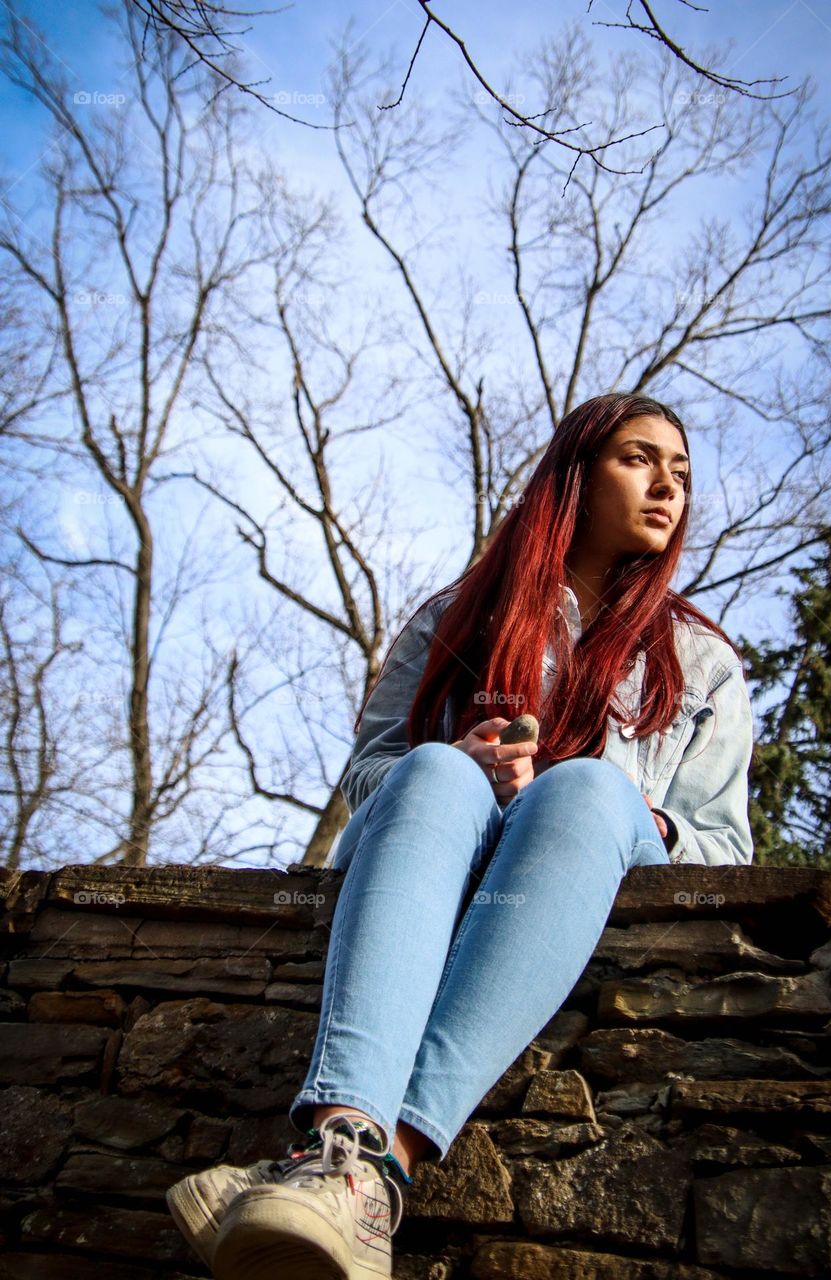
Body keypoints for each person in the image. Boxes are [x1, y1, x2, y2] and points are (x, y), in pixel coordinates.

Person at [166, 391, 755, 1280]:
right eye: (637, 460)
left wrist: (629, 811)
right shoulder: (456, 617)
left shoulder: (701, 661)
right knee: (435, 770)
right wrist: (464, 758)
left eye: (679, 472)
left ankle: (357, 1171)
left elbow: (722, 847)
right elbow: (370, 776)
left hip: (592, 853)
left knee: (587, 790)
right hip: (440, 848)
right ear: (573, 474)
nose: (666, 486)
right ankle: (350, 1153)